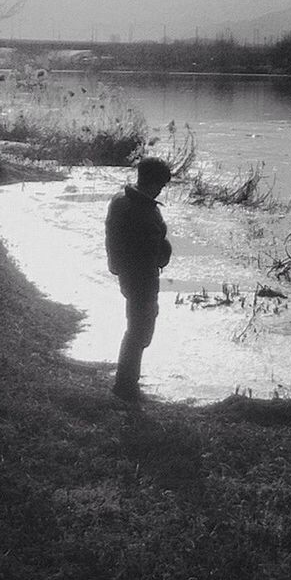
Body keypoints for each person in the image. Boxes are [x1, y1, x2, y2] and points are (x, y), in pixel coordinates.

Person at [104, 156, 172, 402]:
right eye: (161, 185)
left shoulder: (121, 201)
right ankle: (126, 385)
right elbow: (151, 252)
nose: (161, 190)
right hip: (142, 278)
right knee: (141, 331)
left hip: (129, 274)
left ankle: (127, 381)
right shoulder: (140, 210)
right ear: (153, 182)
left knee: (137, 329)